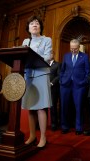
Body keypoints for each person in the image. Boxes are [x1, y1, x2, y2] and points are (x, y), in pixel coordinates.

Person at [21, 15, 52, 149]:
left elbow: (48, 55)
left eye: (37, 23)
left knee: (41, 107)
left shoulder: (47, 39)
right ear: (28, 28)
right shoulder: (25, 42)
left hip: (41, 74)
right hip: (28, 75)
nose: (35, 25)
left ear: (40, 27)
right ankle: (32, 135)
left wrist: (33, 58)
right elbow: (21, 56)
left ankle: (43, 137)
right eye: (32, 23)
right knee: (30, 107)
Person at [60, 39, 90, 135]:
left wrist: (84, 81)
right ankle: (65, 126)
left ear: (79, 47)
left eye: (75, 49)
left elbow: (87, 71)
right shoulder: (66, 56)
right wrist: (61, 80)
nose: (73, 50)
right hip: (65, 84)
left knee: (79, 107)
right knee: (64, 106)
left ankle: (78, 127)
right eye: (71, 48)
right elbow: (62, 69)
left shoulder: (85, 56)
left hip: (79, 85)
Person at [49, 51, 61, 131]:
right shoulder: (43, 64)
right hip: (44, 89)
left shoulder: (57, 64)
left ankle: (54, 123)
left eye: (50, 53)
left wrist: (52, 83)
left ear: (53, 55)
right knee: (43, 107)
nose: (49, 55)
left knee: (53, 107)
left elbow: (59, 75)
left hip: (53, 89)